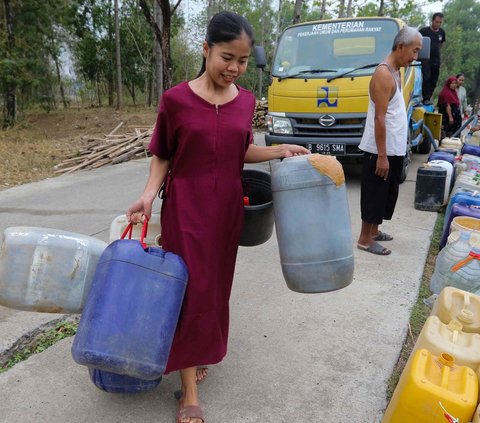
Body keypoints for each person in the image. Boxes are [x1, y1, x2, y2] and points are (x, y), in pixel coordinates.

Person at [126, 11, 309, 423]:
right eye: (227, 57)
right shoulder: (175, 100)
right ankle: (188, 390)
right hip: (186, 208)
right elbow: (163, 153)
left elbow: (239, 151)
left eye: (243, 61)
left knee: (213, 290)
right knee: (188, 289)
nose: (235, 69)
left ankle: (197, 353)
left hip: (227, 209)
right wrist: (148, 195)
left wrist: (280, 150)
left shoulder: (245, 101)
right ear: (206, 49)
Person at [357, 27, 423, 256]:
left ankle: (374, 231)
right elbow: (379, 118)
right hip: (380, 149)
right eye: (414, 51)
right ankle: (365, 238)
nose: (415, 57)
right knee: (375, 193)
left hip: (393, 147)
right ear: (400, 47)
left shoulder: (397, 70)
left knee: (386, 193)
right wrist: (382, 156)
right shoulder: (383, 74)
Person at [419, 13, 446, 104]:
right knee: (427, 78)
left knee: (434, 80)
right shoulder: (424, 31)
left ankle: (429, 97)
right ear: (432, 21)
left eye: (440, 22)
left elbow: (442, 44)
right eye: (436, 22)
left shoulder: (442, 32)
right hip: (426, 59)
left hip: (436, 60)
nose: (438, 24)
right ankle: (425, 98)